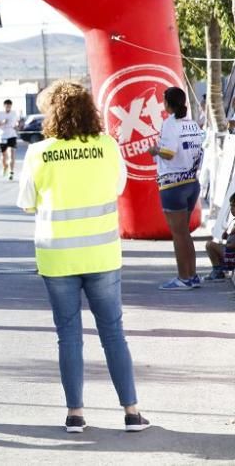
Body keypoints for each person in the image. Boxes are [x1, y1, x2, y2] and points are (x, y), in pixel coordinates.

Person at [17, 80, 150, 433]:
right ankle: (132, 412)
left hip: (58, 256)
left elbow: (27, 202)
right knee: (113, 334)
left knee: (69, 336)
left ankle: (75, 413)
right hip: (101, 254)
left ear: (51, 114)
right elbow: (118, 187)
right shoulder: (107, 146)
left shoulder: (38, 153)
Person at [148, 87, 205, 290]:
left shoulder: (170, 124)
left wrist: (154, 150)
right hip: (192, 182)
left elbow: (169, 153)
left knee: (179, 234)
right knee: (185, 233)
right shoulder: (192, 124)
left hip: (173, 185)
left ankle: (183, 277)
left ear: (167, 103)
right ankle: (192, 275)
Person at [205, 193, 235, 282]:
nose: (232, 209)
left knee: (210, 245)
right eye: (231, 206)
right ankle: (218, 269)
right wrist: (227, 236)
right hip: (231, 254)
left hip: (232, 256)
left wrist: (224, 244)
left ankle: (218, 271)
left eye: (234, 206)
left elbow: (233, 245)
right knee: (211, 244)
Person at [0, 99, 21, 180]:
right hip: (2, 136)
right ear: (4, 106)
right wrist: (2, 123)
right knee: (4, 155)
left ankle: (11, 172)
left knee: (12, 153)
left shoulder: (14, 113)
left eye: (9, 106)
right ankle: (5, 167)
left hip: (12, 135)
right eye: (7, 106)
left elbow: (17, 122)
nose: (8, 107)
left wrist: (17, 125)